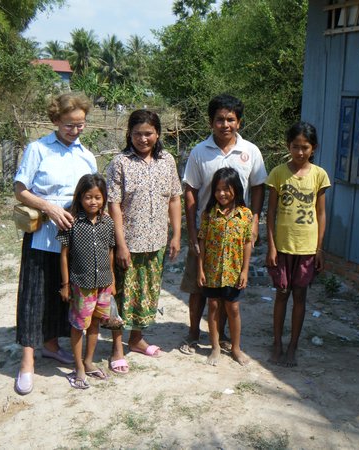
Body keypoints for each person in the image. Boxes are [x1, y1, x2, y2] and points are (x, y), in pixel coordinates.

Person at [13, 92, 97, 395]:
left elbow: (92, 194)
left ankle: (51, 345)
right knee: (34, 296)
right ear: (55, 121)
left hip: (74, 241)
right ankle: (27, 361)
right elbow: (20, 189)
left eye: (80, 125)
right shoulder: (38, 149)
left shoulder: (86, 155)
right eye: (69, 125)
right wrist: (49, 208)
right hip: (42, 236)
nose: (75, 131)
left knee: (64, 296)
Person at [180, 93, 267, 355]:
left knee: (228, 289)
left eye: (231, 119)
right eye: (220, 119)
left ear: (239, 122)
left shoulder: (250, 151)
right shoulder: (199, 151)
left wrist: (254, 222)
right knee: (198, 286)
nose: (225, 124)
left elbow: (258, 187)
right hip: (207, 232)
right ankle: (194, 333)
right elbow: (191, 191)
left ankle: (224, 335)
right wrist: (193, 231)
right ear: (211, 122)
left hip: (235, 235)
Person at [106, 109, 182, 374]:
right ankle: (117, 348)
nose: (143, 139)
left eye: (148, 133)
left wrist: (176, 234)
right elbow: (113, 205)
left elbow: (174, 198)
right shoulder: (120, 162)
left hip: (157, 242)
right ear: (130, 134)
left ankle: (136, 339)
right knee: (121, 296)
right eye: (137, 133)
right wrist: (121, 244)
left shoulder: (167, 161)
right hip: (129, 242)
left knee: (147, 295)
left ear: (157, 133)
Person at [265, 121, 331, 367]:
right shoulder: (278, 174)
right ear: (288, 146)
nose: (300, 152)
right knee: (281, 294)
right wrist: (271, 246)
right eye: (295, 147)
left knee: (300, 296)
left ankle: (293, 345)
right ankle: (277, 343)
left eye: (305, 147)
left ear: (313, 148)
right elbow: (270, 213)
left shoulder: (319, 175)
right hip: (283, 246)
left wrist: (319, 248)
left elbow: (321, 213)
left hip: (307, 247)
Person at [57, 174, 115, 389]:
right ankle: (79, 365)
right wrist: (65, 285)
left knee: (95, 323)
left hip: (104, 283)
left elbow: (110, 252)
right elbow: (64, 254)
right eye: (88, 197)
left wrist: (113, 281)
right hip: (82, 284)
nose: (93, 202)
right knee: (78, 325)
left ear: (104, 198)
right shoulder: (71, 222)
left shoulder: (107, 222)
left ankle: (89, 361)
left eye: (98, 197)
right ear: (80, 197)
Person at [197, 168, 252, 366]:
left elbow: (247, 243)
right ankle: (215, 348)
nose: (222, 193)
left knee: (233, 308)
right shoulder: (209, 215)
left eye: (226, 189)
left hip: (234, 272)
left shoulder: (245, 215)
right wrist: (200, 269)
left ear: (236, 189)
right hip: (212, 270)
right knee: (213, 306)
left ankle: (236, 348)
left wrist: (245, 270)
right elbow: (202, 242)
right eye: (218, 189)